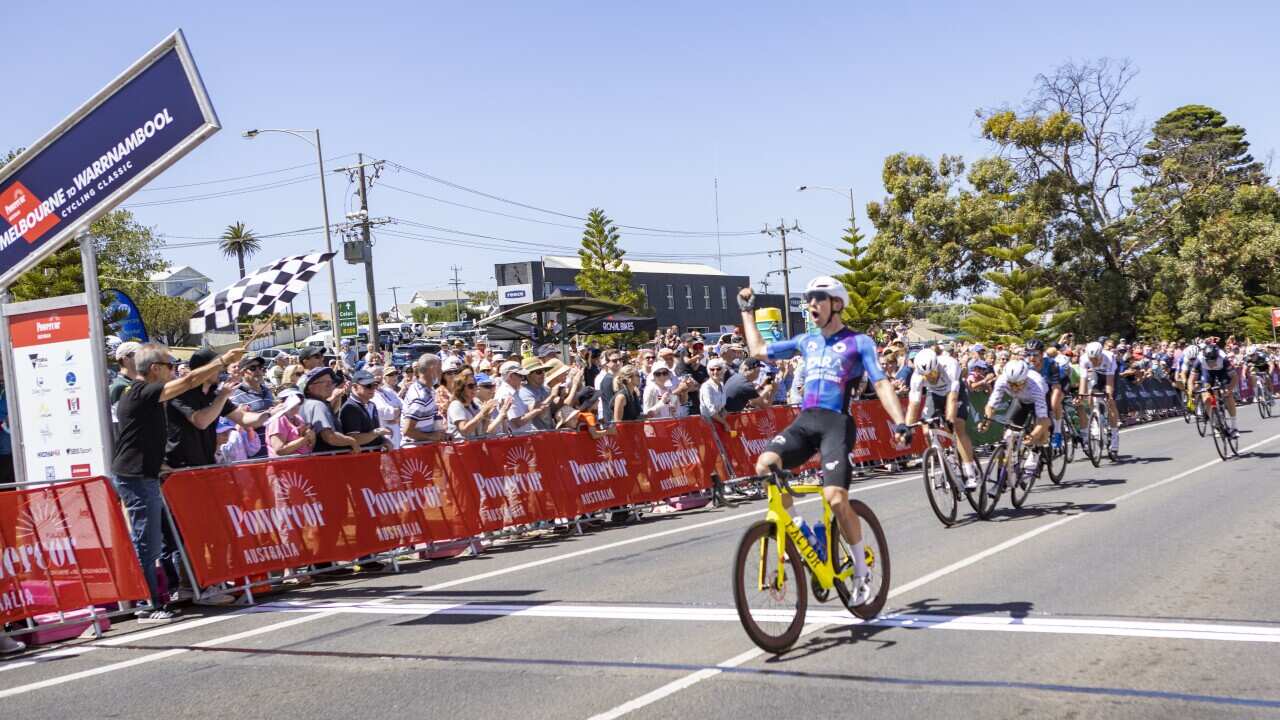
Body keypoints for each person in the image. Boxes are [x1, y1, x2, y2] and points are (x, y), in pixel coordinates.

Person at [738, 278, 908, 608]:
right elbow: (758, 351)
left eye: (818, 299)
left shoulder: (859, 343)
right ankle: (803, 531)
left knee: (834, 497)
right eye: (808, 299)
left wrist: (899, 421)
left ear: (836, 304)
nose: (811, 304)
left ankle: (860, 570)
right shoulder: (807, 341)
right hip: (805, 422)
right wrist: (747, 311)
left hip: (836, 424)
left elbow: (883, 384)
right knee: (765, 464)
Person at [113, 342, 247, 623]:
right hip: (136, 478)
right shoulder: (142, 390)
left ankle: (157, 599)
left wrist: (161, 464)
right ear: (154, 369)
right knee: (145, 542)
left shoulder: (144, 394)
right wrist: (222, 361)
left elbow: (141, 436)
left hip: (146, 474)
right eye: (170, 366)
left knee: (153, 540)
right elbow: (190, 381)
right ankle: (147, 605)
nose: (174, 371)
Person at [903, 347, 979, 488]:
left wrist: (949, 419)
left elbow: (952, 398)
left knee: (957, 425)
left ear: (937, 366)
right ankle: (945, 463)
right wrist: (907, 428)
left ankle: (970, 472)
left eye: (932, 373)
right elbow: (913, 404)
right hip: (935, 394)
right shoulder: (917, 377)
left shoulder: (950, 365)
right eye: (926, 375)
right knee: (927, 430)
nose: (931, 377)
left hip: (955, 392)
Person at [980, 358, 1051, 483]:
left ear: (1025, 380)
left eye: (1018, 384)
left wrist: (1034, 435)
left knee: (1041, 429)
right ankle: (1003, 472)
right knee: (1008, 433)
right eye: (1011, 384)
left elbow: (1043, 420)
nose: (1014, 388)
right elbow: (991, 405)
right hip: (1020, 401)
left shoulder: (1036, 385)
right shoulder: (1002, 380)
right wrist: (987, 421)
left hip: (1037, 400)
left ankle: (1035, 455)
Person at [1079, 340, 1121, 453]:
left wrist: (1109, 394)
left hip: (1110, 375)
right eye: (1091, 359)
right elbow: (1083, 379)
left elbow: (1109, 382)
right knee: (1089, 393)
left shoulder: (1109, 358)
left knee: (1111, 401)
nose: (1093, 361)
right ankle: (1095, 420)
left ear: (1100, 355)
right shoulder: (1083, 359)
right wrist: (1081, 396)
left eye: (1096, 359)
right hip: (1096, 374)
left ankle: (1114, 435)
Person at [230, 353, 274, 458]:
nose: (258, 371)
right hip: (252, 454)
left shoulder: (267, 390)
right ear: (242, 372)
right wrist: (269, 415)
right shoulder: (235, 394)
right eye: (253, 368)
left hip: (272, 451)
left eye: (260, 367)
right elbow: (236, 425)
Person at [1195, 340, 1238, 437]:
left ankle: (1234, 427)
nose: (1211, 363)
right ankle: (1215, 424)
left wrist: (1229, 389)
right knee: (1206, 397)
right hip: (1208, 374)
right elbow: (1191, 379)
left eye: (1213, 360)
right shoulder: (1200, 359)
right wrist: (1190, 391)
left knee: (1228, 395)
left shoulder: (1224, 359)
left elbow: (1235, 377)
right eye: (1209, 361)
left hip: (1222, 372)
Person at [338, 370, 391, 450]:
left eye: (375, 385)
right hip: (358, 459)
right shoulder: (350, 407)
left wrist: (385, 441)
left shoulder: (372, 405)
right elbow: (353, 439)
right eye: (368, 385)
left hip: (374, 457)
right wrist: (376, 432)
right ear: (355, 387)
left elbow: (375, 434)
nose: (373, 388)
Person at [402, 355, 445, 444]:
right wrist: (431, 436)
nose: (441, 372)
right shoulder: (420, 397)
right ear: (432, 370)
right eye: (440, 369)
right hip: (416, 451)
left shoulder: (430, 390)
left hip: (427, 448)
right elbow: (407, 431)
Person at [447, 372, 496, 440]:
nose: (474, 388)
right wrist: (482, 413)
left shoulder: (474, 405)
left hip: (475, 447)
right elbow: (464, 431)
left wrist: (487, 416)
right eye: (470, 386)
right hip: (461, 448)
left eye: (475, 385)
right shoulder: (456, 405)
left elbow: (482, 432)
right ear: (460, 388)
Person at [266, 389, 314, 457]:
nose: (296, 405)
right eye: (292, 401)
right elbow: (280, 450)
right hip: (285, 466)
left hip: (302, 463)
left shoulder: (298, 418)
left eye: (298, 402)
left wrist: (311, 436)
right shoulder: (278, 419)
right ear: (281, 403)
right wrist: (305, 439)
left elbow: (309, 445)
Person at [370, 365, 404, 448]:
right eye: (375, 374)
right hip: (386, 437)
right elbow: (386, 413)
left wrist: (397, 416)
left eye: (380, 374)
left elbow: (405, 406)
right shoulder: (372, 394)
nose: (379, 377)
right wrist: (398, 412)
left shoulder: (388, 391)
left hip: (397, 433)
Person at [699, 357, 730, 432]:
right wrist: (725, 423)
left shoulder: (722, 385)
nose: (715, 372)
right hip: (707, 425)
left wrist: (723, 415)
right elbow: (711, 411)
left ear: (722, 370)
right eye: (712, 369)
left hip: (718, 424)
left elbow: (723, 407)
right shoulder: (706, 386)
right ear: (708, 371)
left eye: (718, 369)